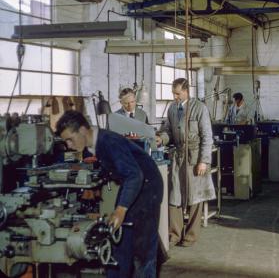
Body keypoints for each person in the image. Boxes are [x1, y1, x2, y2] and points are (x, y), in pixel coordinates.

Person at [56, 110, 163, 278]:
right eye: (65, 141)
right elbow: (115, 166)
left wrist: (121, 210)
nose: (68, 145)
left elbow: (134, 175)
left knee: (143, 250)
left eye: (70, 139)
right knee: (120, 241)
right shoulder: (96, 144)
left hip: (147, 188)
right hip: (134, 184)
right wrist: (96, 186)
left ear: (83, 130)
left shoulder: (108, 141)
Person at [156, 78, 215, 247]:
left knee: (195, 197)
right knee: (174, 196)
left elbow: (207, 136)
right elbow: (168, 131)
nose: (175, 97)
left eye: (178, 93)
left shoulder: (199, 108)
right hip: (178, 156)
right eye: (173, 93)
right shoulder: (173, 109)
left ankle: (190, 236)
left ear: (186, 91)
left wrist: (203, 161)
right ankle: (174, 234)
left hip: (195, 157)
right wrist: (161, 139)